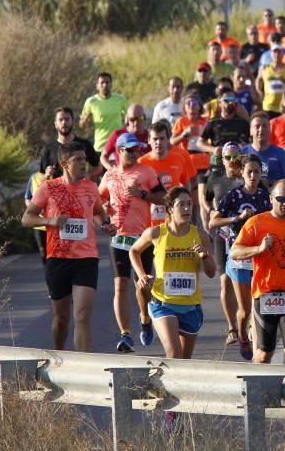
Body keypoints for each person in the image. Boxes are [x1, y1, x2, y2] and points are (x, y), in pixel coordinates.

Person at [21, 142, 115, 352]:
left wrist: (106, 225)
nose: (84, 163)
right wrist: (50, 222)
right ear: (64, 163)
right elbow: (26, 219)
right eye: (78, 160)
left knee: (82, 315)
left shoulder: (91, 187)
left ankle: (83, 368)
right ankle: (59, 355)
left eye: (85, 159)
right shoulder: (49, 188)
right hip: (58, 259)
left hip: (86, 259)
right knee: (61, 319)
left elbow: (98, 212)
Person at [230, 181, 285, 365]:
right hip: (265, 295)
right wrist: (259, 249)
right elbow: (235, 252)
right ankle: (256, 391)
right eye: (280, 199)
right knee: (263, 355)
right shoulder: (257, 222)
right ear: (271, 199)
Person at [99, 132, 167, 352]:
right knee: (120, 285)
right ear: (119, 151)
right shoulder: (109, 175)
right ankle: (125, 334)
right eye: (130, 150)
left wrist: (142, 193)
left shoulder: (146, 171)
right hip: (119, 238)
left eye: (137, 149)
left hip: (142, 239)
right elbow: (98, 201)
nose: (135, 153)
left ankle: (145, 317)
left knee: (143, 285)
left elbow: (163, 198)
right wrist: (104, 218)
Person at [129, 187, 215, 361]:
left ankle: (172, 387)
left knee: (184, 361)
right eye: (181, 205)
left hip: (191, 306)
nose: (186, 209)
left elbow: (212, 272)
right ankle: (145, 317)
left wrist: (204, 257)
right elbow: (134, 251)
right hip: (163, 303)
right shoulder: (156, 233)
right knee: (174, 354)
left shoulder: (200, 235)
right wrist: (142, 274)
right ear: (170, 208)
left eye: (189, 204)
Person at [209, 154, 272, 360]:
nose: (253, 176)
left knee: (258, 305)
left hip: (260, 256)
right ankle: (242, 334)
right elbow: (213, 222)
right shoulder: (234, 195)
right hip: (239, 257)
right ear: (242, 173)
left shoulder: (265, 195)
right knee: (244, 310)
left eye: (256, 172)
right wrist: (237, 218)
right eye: (249, 172)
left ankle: (258, 348)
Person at [199, 142, 245, 347]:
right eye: (227, 158)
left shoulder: (247, 178)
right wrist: (210, 212)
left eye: (235, 157)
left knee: (246, 281)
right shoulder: (215, 180)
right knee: (225, 281)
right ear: (222, 160)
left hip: (244, 236)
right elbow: (206, 200)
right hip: (223, 236)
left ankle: (250, 322)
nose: (231, 161)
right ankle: (232, 328)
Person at [40, 107, 102, 181]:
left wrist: (88, 175)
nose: (64, 122)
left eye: (67, 119)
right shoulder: (48, 149)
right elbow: (41, 176)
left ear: (72, 121)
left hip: (80, 190)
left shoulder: (84, 144)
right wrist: (47, 175)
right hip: (57, 191)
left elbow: (98, 167)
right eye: (60, 120)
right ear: (55, 124)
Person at [80, 71, 129, 156]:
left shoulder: (120, 99)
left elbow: (129, 117)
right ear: (97, 86)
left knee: (119, 169)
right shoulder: (91, 102)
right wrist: (85, 120)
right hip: (101, 145)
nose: (105, 85)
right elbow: (81, 125)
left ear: (111, 84)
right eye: (102, 83)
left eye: (107, 82)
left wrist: (125, 128)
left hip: (119, 143)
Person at [242, 112, 285, 187]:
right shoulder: (243, 153)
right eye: (257, 126)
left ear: (270, 129)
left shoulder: (281, 154)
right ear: (251, 131)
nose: (261, 129)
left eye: (264, 126)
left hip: (272, 196)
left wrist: (271, 184)